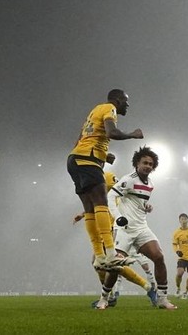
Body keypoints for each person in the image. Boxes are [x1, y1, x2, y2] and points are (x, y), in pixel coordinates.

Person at [67, 89, 143, 271]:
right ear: (117, 100)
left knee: (90, 209)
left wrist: (103, 155)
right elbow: (112, 133)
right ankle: (110, 254)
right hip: (87, 160)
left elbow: (81, 141)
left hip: (75, 159)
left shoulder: (94, 111)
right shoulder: (110, 108)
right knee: (102, 203)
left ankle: (100, 256)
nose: (128, 105)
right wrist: (132, 134)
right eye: (126, 101)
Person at [95, 146, 177, 310]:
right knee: (116, 265)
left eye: (150, 164)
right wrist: (118, 217)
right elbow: (111, 196)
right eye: (144, 162)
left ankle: (162, 298)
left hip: (141, 227)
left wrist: (146, 206)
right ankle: (104, 298)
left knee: (159, 257)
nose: (147, 166)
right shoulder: (129, 179)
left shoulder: (150, 184)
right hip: (125, 229)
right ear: (137, 164)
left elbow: (138, 202)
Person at [73, 152, 158, 308]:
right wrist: (83, 213)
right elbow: (97, 201)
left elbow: (121, 195)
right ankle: (144, 288)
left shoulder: (108, 176)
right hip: (101, 223)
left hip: (113, 225)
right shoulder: (91, 179)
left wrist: (140, 206)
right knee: (104, 264)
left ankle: (112, 295)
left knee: (103, 262)